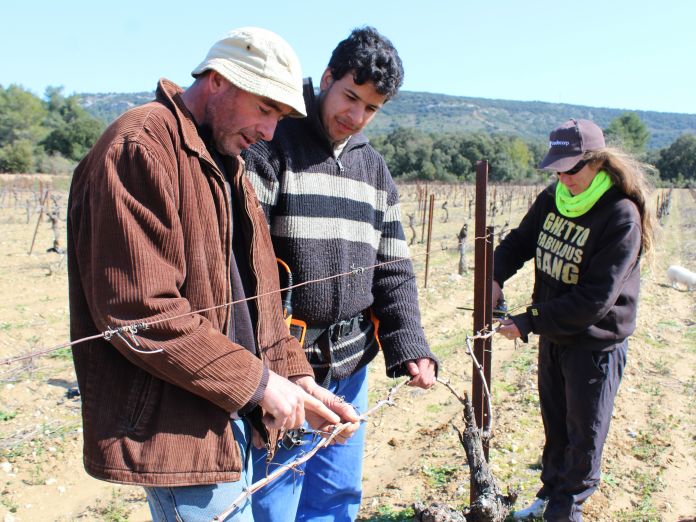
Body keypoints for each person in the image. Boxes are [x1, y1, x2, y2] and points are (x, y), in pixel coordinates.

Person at [67, 27, 352, 522]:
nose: (269, 131)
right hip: (179, 425)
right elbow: (139, 311)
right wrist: (262, 384)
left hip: (228, 411)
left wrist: (298, 378)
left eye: (280, 118)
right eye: (265, 108)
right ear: (218, 80)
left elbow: (259, 299)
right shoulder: (142, 146)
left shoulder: (229, 165)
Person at [243, 26, 438, 521]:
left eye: (370, 108)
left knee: (335, 499)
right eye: (349, 97)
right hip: (285, 370)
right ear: (327, 77)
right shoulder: (273, 145)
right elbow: (247, 266)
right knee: (275, 498)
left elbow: (392, 267)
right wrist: (282, 369)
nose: (355, 116)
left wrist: (409, 343)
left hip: (350, 367)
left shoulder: (373, 170)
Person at [492, 119, 656, 521]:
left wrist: (529, 320)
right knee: (556, 429)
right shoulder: (554, 198)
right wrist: (492, 276)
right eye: (558, 169)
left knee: (583, 438)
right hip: (556, 337)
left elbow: (595, 300)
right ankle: (549, 496)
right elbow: (519, 243)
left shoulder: (620, 215)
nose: (563, 177)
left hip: (595, 344)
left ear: (597, 162)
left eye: (571, 168)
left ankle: (566, 512)